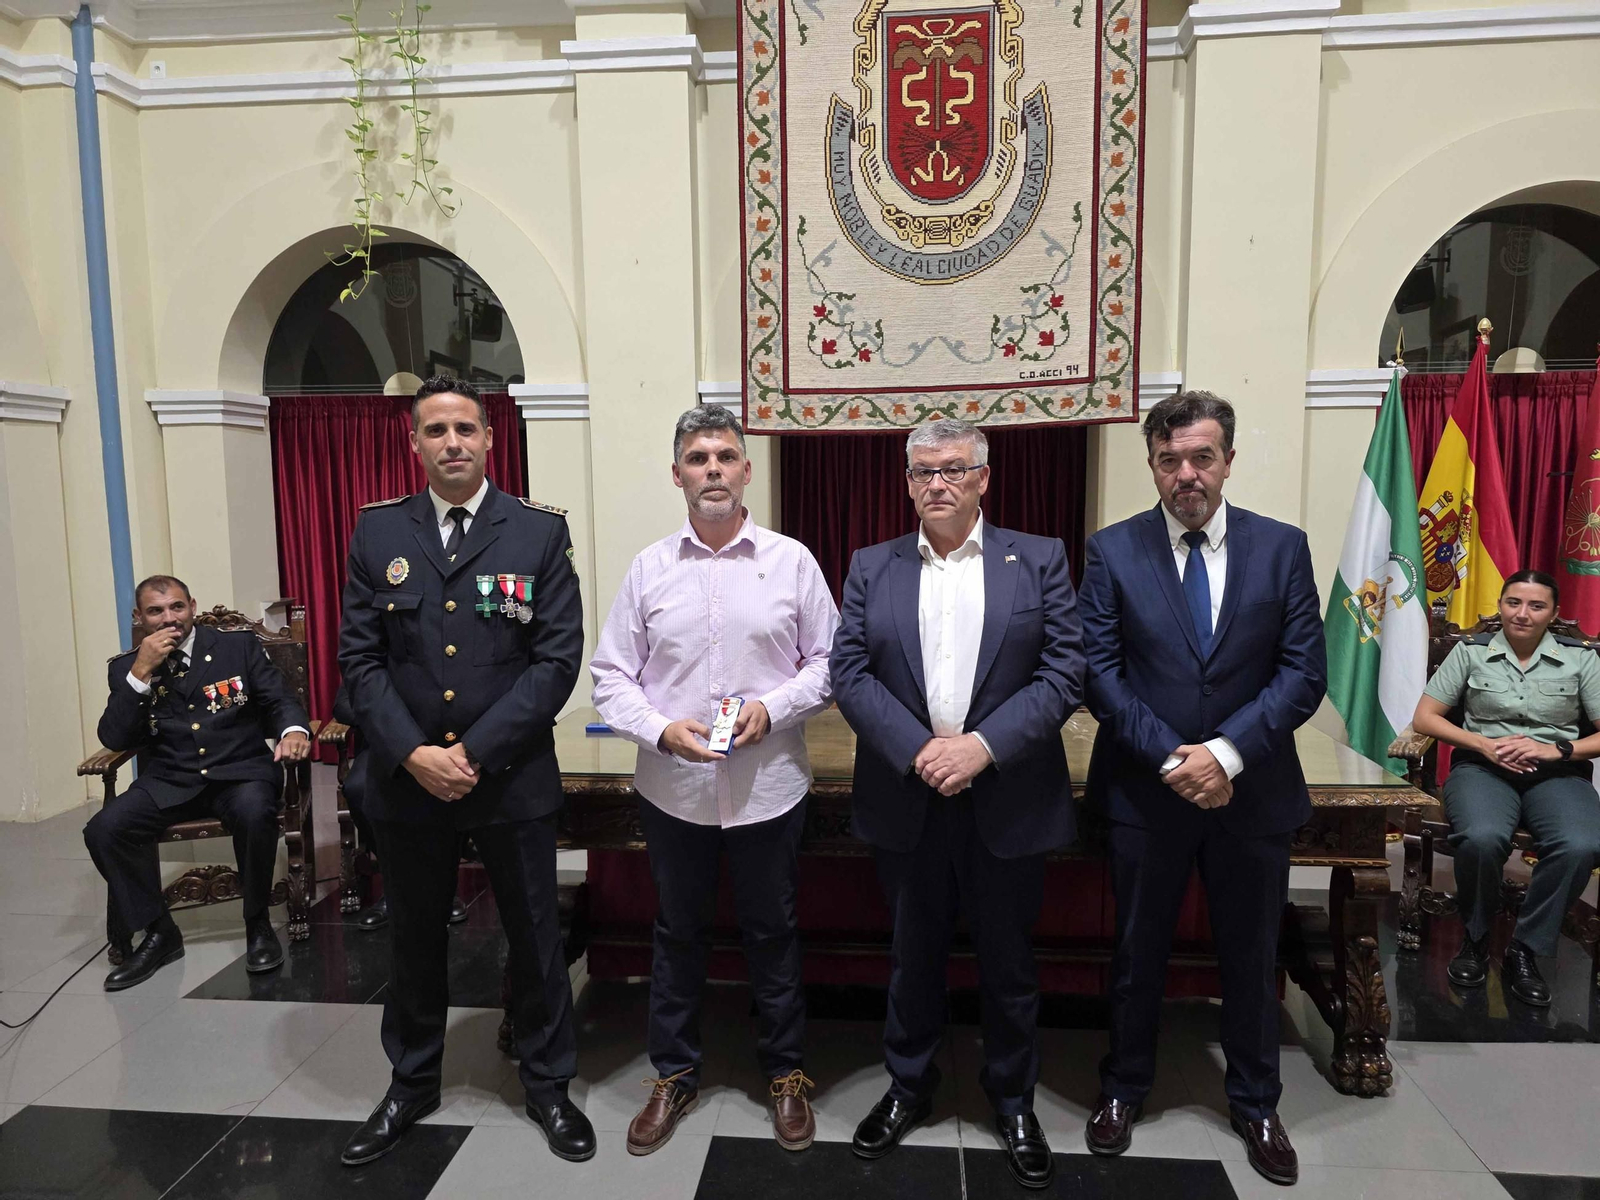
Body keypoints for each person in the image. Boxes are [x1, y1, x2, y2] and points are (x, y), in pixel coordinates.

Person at [336, 376, 592, 1166]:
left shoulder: (537, 533)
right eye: (435, 430)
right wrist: (413, 753)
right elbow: (358, 658)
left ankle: (549, 1086)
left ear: (490, 439)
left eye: (466, 429)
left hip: (508, 776)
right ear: (414, 443)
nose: (452, 442)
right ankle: (411, 1083)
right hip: (406, 780)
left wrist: (472, 754)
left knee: (534, 937)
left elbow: (555, 661)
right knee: (414, 941)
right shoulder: (379, 533)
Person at [1078, 391, 1325, 1187]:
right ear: (1152, 463)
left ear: (1227, 458)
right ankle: (1124, 1089)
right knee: (1137, 953)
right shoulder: (1112, 551)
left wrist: (1225, 754)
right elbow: (1100, 675)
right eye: (1170, 459)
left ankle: (1256, 1103)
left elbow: (1302, 674)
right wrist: (1174, 760)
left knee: (1251, 959)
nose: (1186, 473)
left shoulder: (1282, 548)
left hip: (1251, 796)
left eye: (1202, 457)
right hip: (1147, 796)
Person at [830, 416, 1083, 1190]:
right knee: (912, 958)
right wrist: (918, 750)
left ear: (983, 477)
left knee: (1009, 963)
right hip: (908, 796)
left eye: (953, 469)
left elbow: (1063, 671)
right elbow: (849, 672)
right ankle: (908, 1087)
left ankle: (1012, 1099)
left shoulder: (1037, 559)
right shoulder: (872, 565)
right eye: (922, 472)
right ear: (906, 483)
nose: (937, 483)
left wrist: (980, 748)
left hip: (1005, 794)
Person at [590, 404, 838, 1156]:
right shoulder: (648, 569)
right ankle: (674, 1074)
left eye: (726, 457)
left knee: (772, 933)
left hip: (769, 789)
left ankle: (787, 1073)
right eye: (698, 459)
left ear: (746, 470)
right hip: (676, 793)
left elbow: (829, 665)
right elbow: (609, 677)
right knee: (678, 934)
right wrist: (661, 729)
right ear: (677, 475)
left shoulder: (792, 561)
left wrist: (774, 707)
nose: (713, 471)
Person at [85, 575, 311, 990]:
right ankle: (158, 931)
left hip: (239, 771)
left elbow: (278, 699)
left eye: (176, 607)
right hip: (172, 780)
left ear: (191, 605)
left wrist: (293, 730)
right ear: (139, 617)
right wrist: (140, 673)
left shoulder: (236, 647)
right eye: (155, 611)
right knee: (104, 829)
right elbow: (115, 739)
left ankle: (257, 923)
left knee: (254, 812)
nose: (169, 618)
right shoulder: (127, 669)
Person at [1411, 570, 1600, 1007]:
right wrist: (1484, 744)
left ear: (1553, 614)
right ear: (1501, 604)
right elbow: (1426, 718)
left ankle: (1525, 948)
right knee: (1480, 838)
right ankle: (1476, 938)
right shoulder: (1471, 652)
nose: (1523, 613)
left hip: (1555, 773)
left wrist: (1558, 749)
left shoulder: (1581, 659)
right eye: (1514, 602)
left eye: (1536, 606)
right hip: (1482, 770)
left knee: (1581, 843)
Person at [331, 682, 467, 931]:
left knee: (447, 782)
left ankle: (443, 885)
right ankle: (395, 886)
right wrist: (393, 722)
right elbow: (343, 705)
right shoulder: (375, 647)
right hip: (385, 748)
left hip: (443, 743)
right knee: (358, 788)